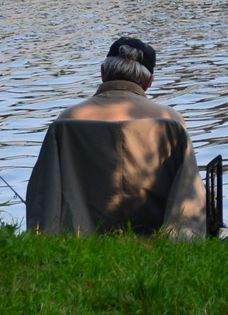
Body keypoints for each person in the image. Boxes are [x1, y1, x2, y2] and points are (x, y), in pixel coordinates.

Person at [25, 37, 206, 239]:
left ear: (103, 73)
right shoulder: (170, 121)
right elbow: (187, 188)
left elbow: (45, 189)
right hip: (155, 235)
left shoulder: (66, 121)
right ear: (148, 82)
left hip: (82, 236)